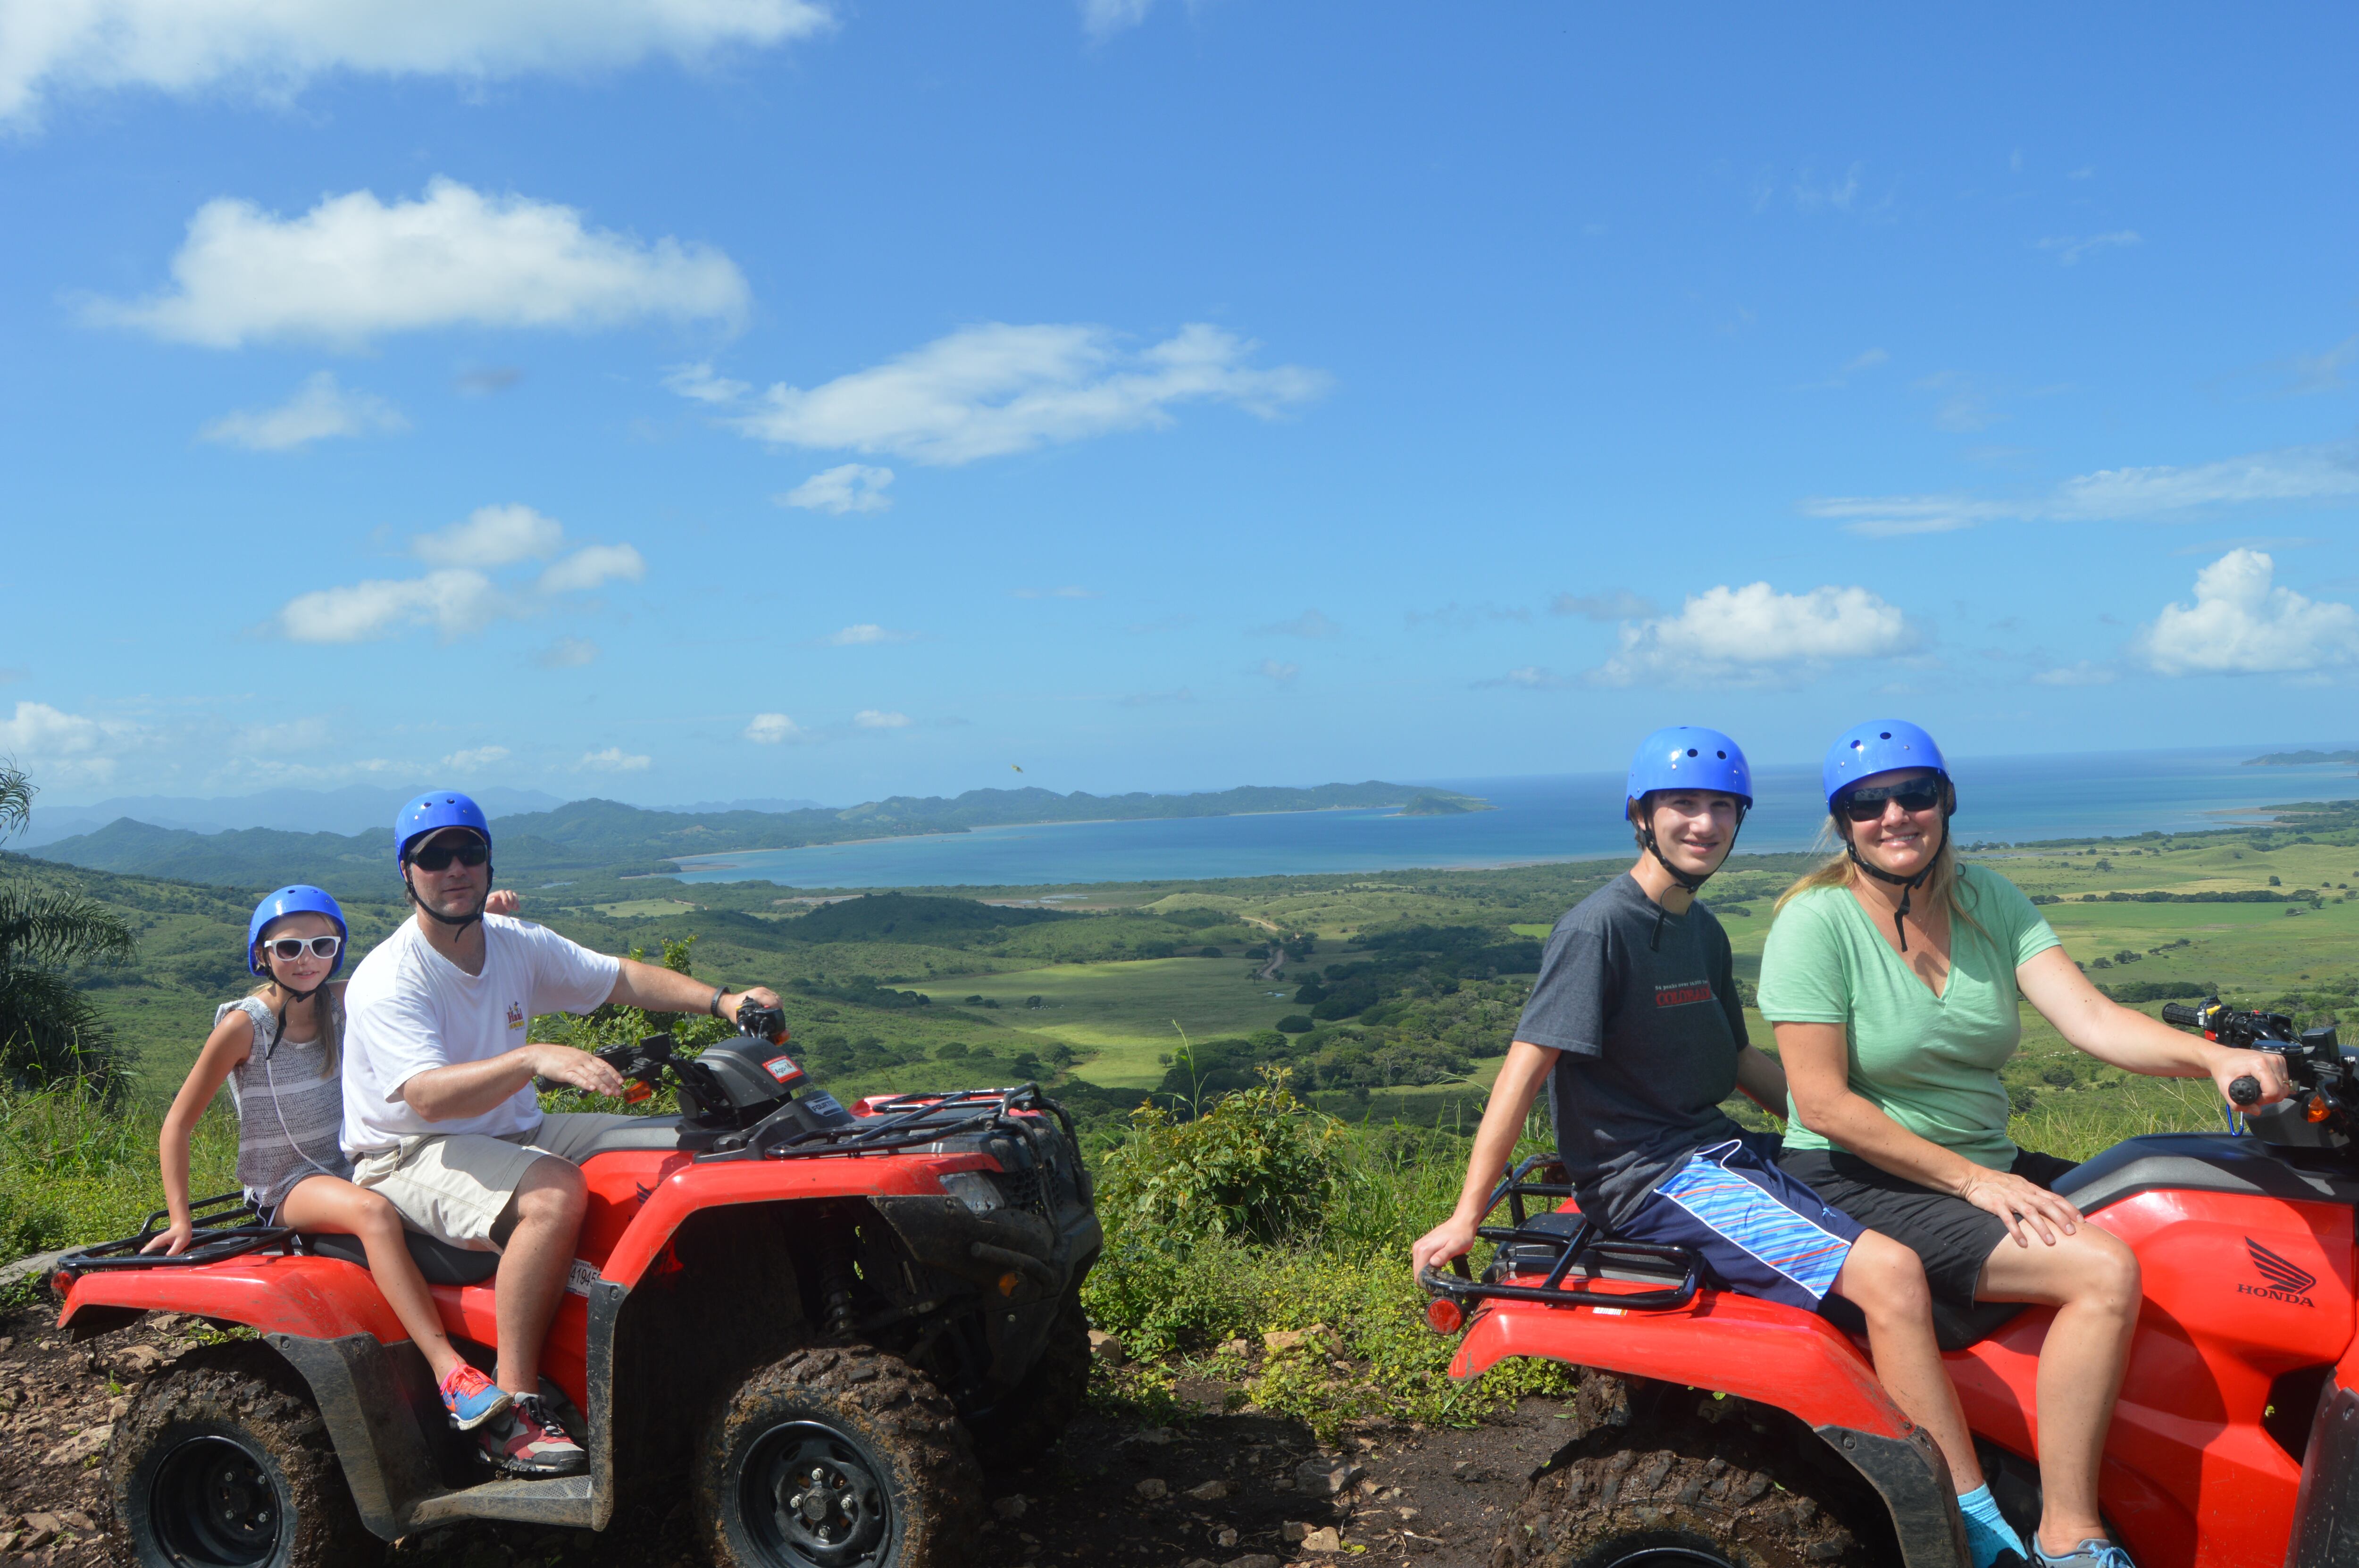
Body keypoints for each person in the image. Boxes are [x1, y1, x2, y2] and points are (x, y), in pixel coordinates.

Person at [1409, 727, 2018, 1565]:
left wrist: (1860, 1130)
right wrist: (1465, 1214)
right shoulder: (1600, 928)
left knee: (1895, 1203)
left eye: (1722, 808)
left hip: (1716, 1150)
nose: (1704, 824)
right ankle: (1975, 1529)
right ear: (1641, 816)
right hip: (1652, 1176)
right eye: (1684, 805)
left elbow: (1738, 1061)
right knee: (1890, 1273)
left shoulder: (1701, 930)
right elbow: (1525, 1070)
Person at [1762, 720, 2293, 1568]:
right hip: (1859, 1173)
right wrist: (1973, 1182)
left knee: (2178, 1222)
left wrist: (2212, 1058)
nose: (1895, 815)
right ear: (1843, 822)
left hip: (1981, 1163)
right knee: (2102, 1268)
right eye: (1868, 803)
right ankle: (2069, 1534)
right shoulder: (1815, 921)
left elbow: (2092, 1018)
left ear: (1946, 801)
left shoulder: (1989, 900)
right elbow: (1823, 1102)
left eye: (1914, 794)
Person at [342, 791, 785, 1477]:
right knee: (553, 1192)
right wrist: (531, 1057)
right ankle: (516, 1406)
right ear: (407, 873)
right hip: (406, 1151)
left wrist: (723, 1001)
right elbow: (426, 1097)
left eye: (470, 852)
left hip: (512, 1126)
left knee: (673, 1148)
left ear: (489, 862)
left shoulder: (515, 943)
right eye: (435, 857)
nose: (455, 868)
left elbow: (617, 977)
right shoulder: (390, 977)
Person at [146, 885, 513, 1434]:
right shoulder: (245, 1027)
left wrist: (475, 919)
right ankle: (450, 1372)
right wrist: (181, 1219)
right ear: (262, 954)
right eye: (288, 948)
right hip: (286, 1182)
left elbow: (415, 964)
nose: (306, 960)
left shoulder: (344, 1000)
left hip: (356, 1162)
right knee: (374, 1215)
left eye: (322, 946)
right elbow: (177, 1124)